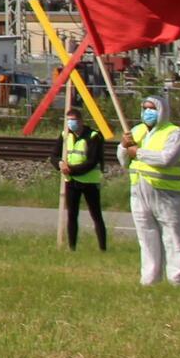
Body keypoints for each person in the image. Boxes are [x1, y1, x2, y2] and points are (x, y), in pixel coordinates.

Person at [121, 94, 180, 286]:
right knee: (146, 238)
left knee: (173, 238)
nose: (148, 112)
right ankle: (149, 280)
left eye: (152, 108)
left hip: (166, 193)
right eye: (145, 108)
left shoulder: (175, 133)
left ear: (161, 111)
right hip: (139, 191)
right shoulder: (136, 131)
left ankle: (178, 281)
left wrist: (138, 152)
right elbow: (123, 160)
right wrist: (123, 146)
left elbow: (167, 159)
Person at [53, 107, 108, 252]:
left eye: (74, 120)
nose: (71, 123)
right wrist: (60, 165)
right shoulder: (65, 135)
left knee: (96, 215)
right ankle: (72, 248)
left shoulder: (93, 136)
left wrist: (71, 170)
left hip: (89, 181)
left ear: (81, 121)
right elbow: (54, 156)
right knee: (72, 215)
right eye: (69, 120)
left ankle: (103, 248)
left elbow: (92, 161)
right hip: (71, 182)